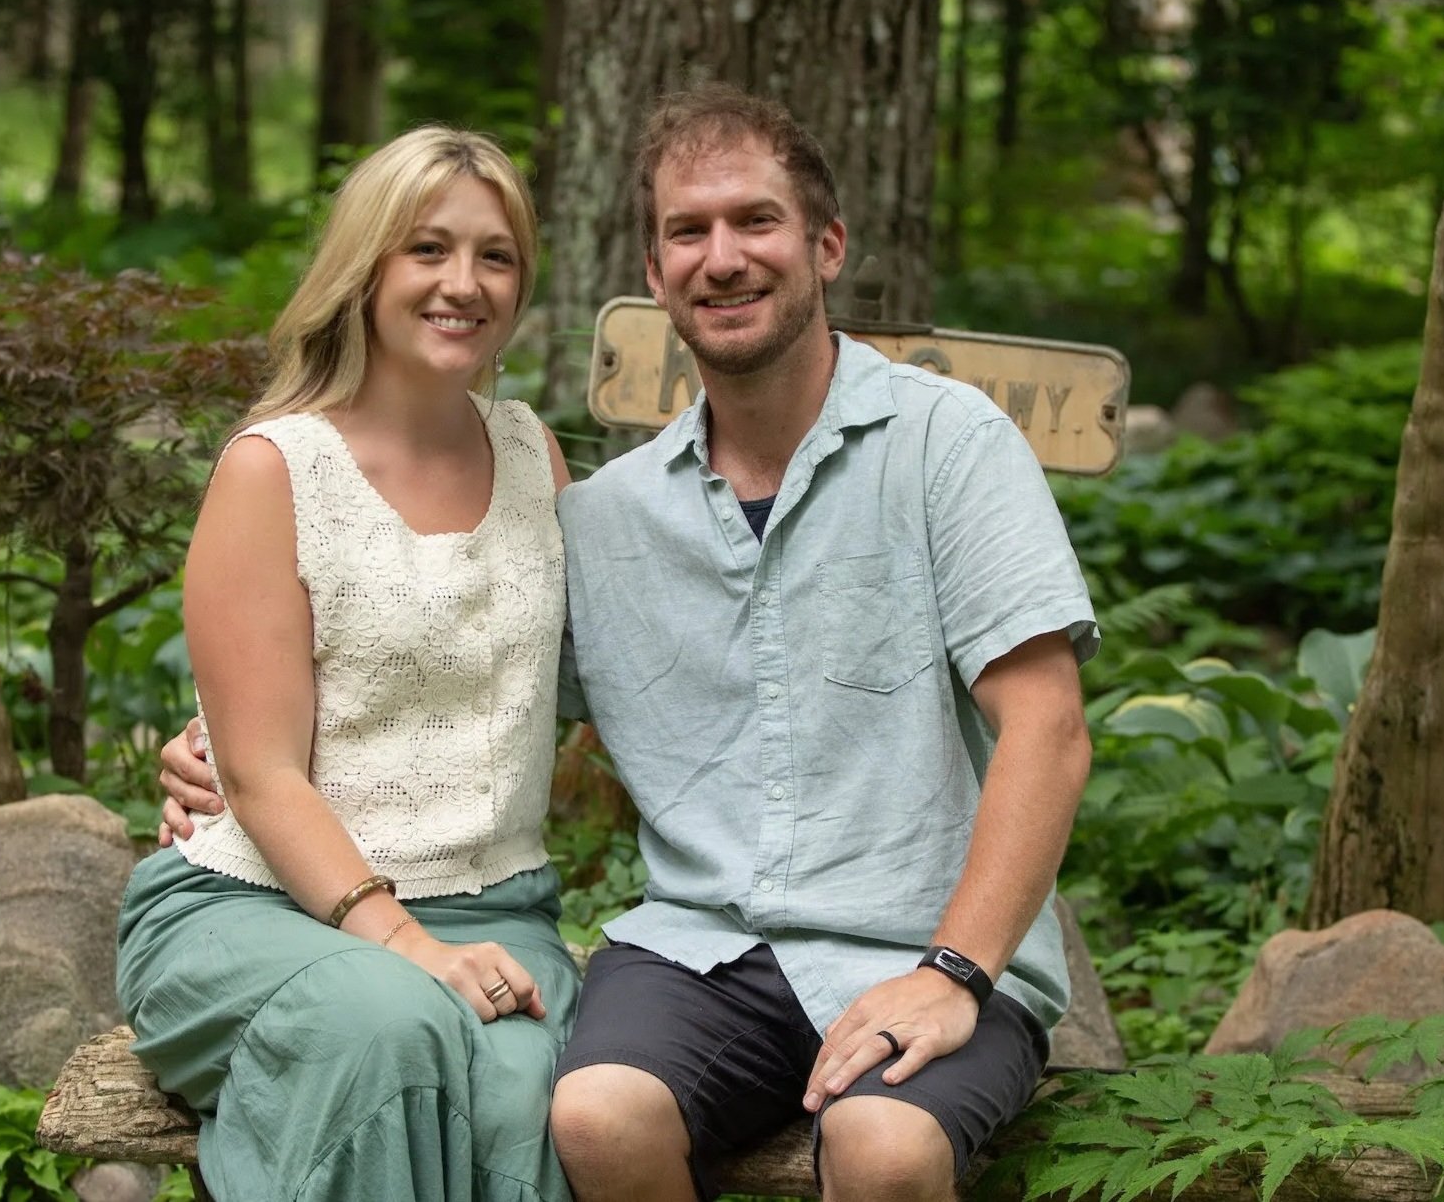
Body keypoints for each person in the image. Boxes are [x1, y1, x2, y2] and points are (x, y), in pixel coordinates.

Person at [163, 86, 1097, 1202]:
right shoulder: (605, 516)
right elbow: (451, 666)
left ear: (827, 245)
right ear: (654, 279)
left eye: (755, 221)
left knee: (886, 1151)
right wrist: (221, 739)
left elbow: (1049, 728)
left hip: (920, 943)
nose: (724, 258)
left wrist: (955, 973)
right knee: (595, 1116)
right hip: (704, 954)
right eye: (687, 233)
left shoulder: (948, 442)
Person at [120, 124, 578, 1202]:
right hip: (260, 908)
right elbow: (265, 774)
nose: (462, 282)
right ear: (364, 267)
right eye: (427, 249)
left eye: (495, 256)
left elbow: (625, 685)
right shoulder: (273, 469)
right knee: (389, 1024)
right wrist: (406, 944)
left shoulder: (534, 456)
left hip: (495, 910)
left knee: (531, 1096)